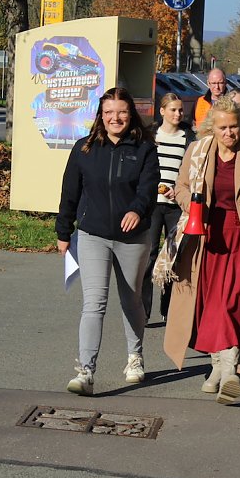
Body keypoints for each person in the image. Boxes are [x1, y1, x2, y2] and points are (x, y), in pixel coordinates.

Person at [154, 95, 240, 405]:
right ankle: (217, 370)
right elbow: (180, 186)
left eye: (234, 127)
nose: (229, 134)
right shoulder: (197, 152)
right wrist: (190, 203)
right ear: (212, 127)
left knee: (231, 303)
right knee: (209, 304)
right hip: (206, 239)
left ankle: (231, 371)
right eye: (222, 127)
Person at [56, 87, 160, 396]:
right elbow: (69, 192)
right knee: (94, 304)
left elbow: (148, 188)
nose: (116, 118)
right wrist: (63, 232)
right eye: (109, 112)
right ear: (101, 116)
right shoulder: (84, 149)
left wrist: (137, 210)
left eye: (122, 112)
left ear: (131, 115)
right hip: (93, 235)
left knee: (132, 299)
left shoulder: (144, 148)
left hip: (133, 237)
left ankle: (135, 357)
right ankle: (86, 372)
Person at [142, 93, 195, 322]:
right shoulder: (150, 136)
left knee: (175, 255)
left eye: (180, 110)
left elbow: (194, 171)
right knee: (149, 254)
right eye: (173, 110)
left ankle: (168, 306)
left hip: (177, 206)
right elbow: (142, 169)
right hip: (153, 205)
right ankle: (142, 310)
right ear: (162, 111)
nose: (177, 114)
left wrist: (181, 190)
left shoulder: (189, 138)